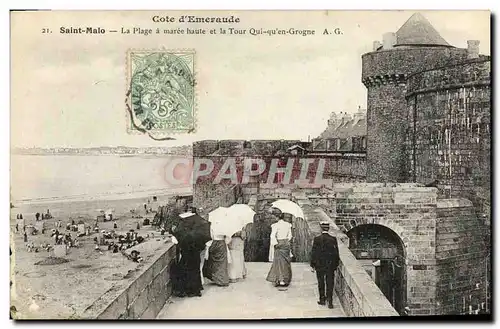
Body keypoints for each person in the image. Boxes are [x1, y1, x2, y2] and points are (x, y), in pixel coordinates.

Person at [310, 221, 340, 309]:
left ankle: (322, 299)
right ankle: (330, 302)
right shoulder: (333, 239)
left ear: (321, 228)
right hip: (330, 265)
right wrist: (336, 265)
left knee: (321, 282)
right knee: (330, 283)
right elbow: (336, 253)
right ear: (328, 228)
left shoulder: (317, 239)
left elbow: (314, 253)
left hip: (320, 265)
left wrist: (313, 265)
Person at [266, 209, 293, 288]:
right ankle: (286, 279)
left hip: (279, 244)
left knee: (279, 262)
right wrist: (286, 241)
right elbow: (290, 236)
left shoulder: (275, 225)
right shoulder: (288, 225)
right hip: (286, 244)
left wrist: (275, 244)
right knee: (286, 262)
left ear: (276, 217)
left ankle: (280, 280)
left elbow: (272, 236)